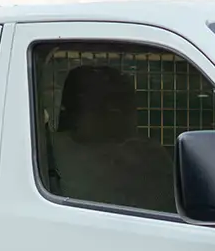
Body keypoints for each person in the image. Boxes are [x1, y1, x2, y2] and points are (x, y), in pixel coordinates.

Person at [45, 63, 174, 212]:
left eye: (126, 106)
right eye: (100, 108)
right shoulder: (47, 152)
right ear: (73, 111)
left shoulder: (150, 156)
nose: (116, 116)